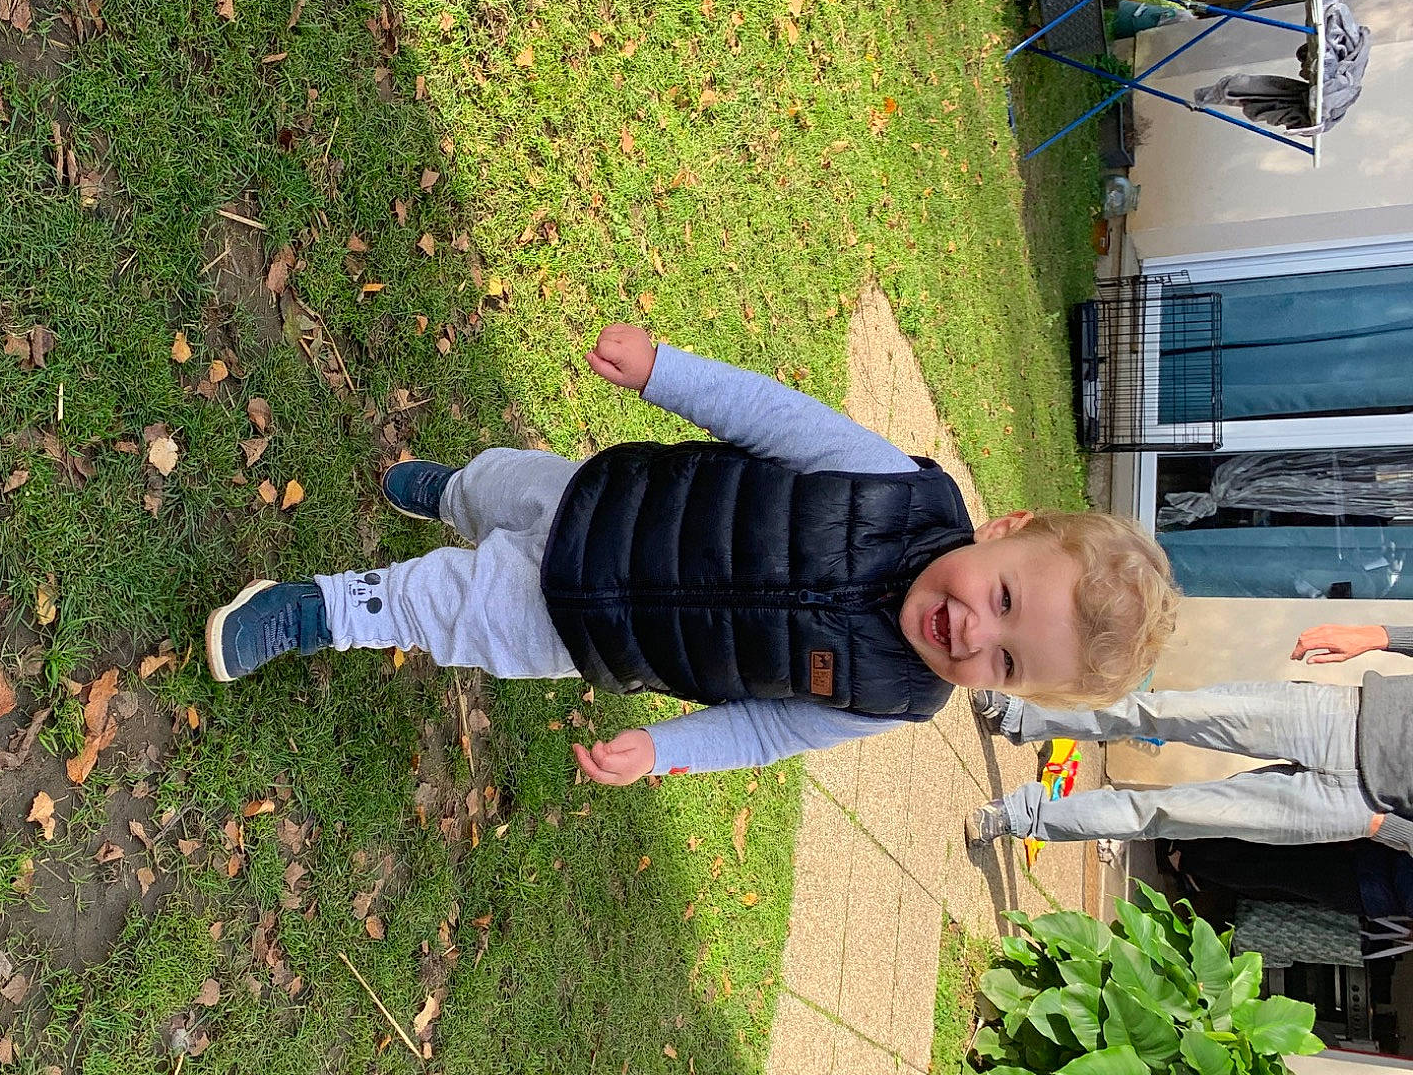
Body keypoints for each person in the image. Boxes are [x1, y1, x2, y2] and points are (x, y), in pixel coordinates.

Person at [204, 324, 1179, 781]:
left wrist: (664, 751)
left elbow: (765, 732)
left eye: (1003, 663)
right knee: (497, 491)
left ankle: (312, 611)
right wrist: (663, 373)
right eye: (1002, 601)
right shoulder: (892, 488)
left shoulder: (892, 695)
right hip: (605, 500)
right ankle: (454, 494)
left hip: (588, 630)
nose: (971, 636)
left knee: (452, 610)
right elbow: (772, 416)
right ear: (1002, 530)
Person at [965, 624, 1413, 854]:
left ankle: (1024, 819)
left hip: (1358, 807)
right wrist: (1379, 636)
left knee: (1167, 814)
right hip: (1346, 716)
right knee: (1161, 712)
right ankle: (1023, 716)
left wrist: (1389, 830)